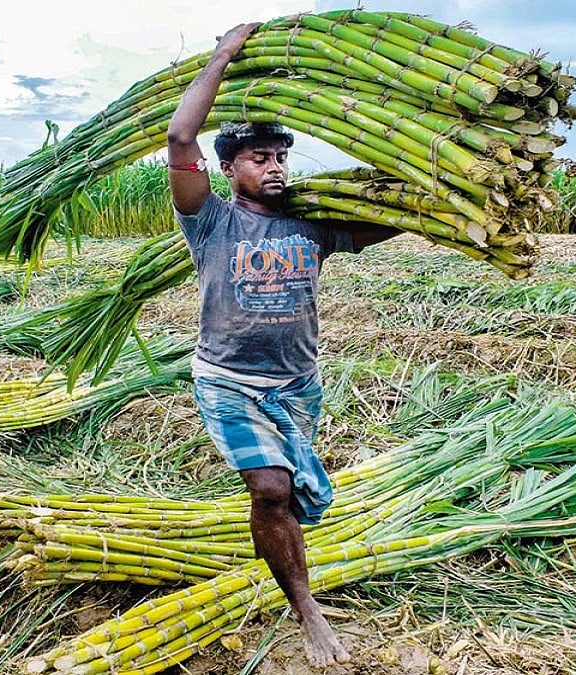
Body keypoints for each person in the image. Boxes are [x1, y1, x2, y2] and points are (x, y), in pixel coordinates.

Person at [166, 22, 400, 668]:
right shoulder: (210, 219)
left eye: (280, 157)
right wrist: (223, 55)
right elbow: (180, 138)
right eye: (259, 158)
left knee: (289, 498)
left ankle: (281, 558)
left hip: (297, 383)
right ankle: (307, 610)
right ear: (228, 168)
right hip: (229, 380)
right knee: (269, 487)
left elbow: (399, 214)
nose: (274, 167)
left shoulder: (311, 222)